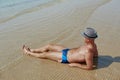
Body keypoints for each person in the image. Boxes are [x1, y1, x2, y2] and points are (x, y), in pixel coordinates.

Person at [22, 28, 98, 70]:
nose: (83, 38)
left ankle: (29, 53)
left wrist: (77, 64)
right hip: (68, 51)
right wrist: (86, 59)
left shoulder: (88, 51)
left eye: (84, 37)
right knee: (49, 46)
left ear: (88, 39)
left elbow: (89, 67)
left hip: (65, 57)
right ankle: (33, 50)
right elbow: (96, 56)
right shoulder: (93, 45)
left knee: (45, 54)